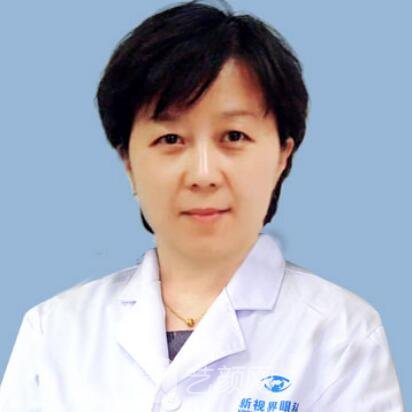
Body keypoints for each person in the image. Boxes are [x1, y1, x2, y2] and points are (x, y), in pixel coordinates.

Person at [0, 0, 405, 410]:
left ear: (283, 155)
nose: (203, 174)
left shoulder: (342, 335)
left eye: (234, 136)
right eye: (171, 139)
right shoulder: (54, 333)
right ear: (129, 162)